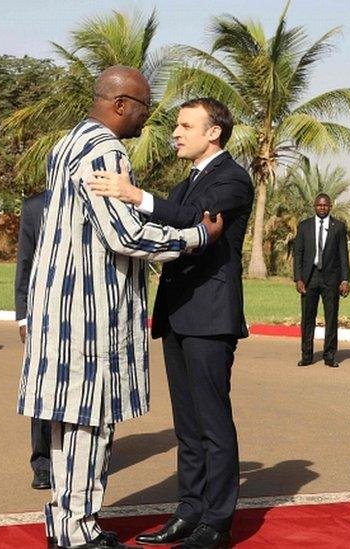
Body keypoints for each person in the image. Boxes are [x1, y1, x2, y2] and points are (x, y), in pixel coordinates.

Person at [18, 66, 223, 549]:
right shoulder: (106, 150)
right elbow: (124, 234)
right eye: (145, 108)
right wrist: (197, 237)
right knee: (90, 421)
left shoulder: (66, 143)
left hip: (57, 302)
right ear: (120, 104)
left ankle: (64, 524)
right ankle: (79, 531)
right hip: (90, 310)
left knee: (66, 422)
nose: (148, 119)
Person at [89, 97, 254, 549]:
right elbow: (164, 227)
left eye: (185, 126)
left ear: (213, 132)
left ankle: (217, 522)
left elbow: (194, 220)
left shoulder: (233, 179)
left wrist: (134, 194)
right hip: (178, 314)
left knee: (212, 423)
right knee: (187, 425)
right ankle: (189, 511)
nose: (175, 133)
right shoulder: (187, 182)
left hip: (210, 317)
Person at [14, 191, 51, 491]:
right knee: (42, 393)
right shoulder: (35, 207)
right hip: (42, 316)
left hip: (86, 317)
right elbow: (24, 261)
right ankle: (42, 464)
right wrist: (23, 316)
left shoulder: (98, 197)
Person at [292, 194, 350, 367]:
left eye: (325, 205)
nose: (322, 208)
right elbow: (298, 254)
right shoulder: (304, 226)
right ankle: (307, 355)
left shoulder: (338, 227)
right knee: (307, 318)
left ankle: (330, 355)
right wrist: (298, 278)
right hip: (309, 278)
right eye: (319, 205)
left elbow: (343, 256)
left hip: (331, 279)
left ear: (330, 206)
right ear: (314, 206)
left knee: (331, 318)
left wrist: (345, 279)